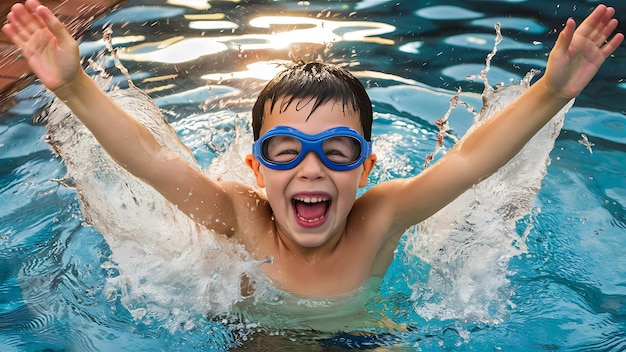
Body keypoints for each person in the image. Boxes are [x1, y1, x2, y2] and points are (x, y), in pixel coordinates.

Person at [3, 0, 623, 299]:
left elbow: (466, 162)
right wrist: (75, 84)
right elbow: (153, 159)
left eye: (337, 150)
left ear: (366, 166)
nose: (311, 167)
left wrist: (550, 92)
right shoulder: (243, 217)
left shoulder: (379, 219)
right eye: (284, 149)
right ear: (256, 166)